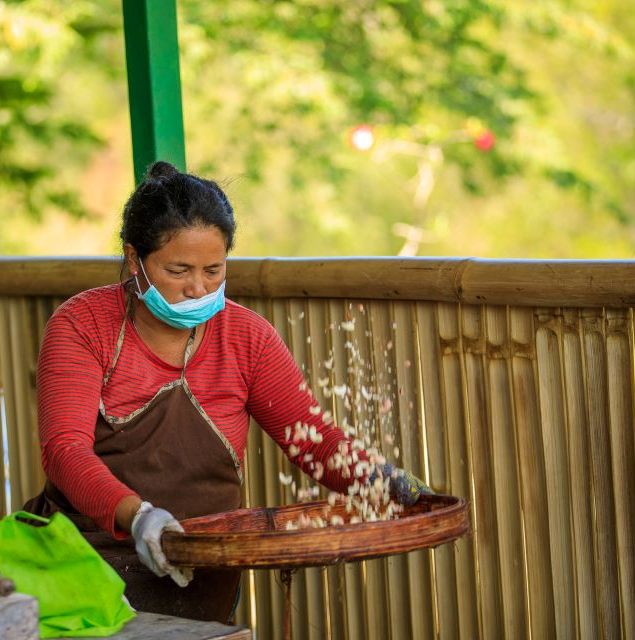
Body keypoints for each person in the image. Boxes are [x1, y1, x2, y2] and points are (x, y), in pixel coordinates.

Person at [24, 162, 429, 623]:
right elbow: (64, 450)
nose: (198, 288)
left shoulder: (245, 336)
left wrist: (386, 481)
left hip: (204, 569)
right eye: (178, 270)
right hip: (82, 564)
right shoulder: (83, 324)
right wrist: (139, 518)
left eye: (213, 270)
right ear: (134, 259)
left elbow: (312, 439)